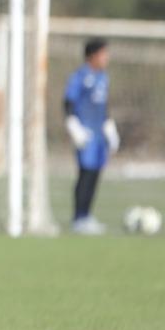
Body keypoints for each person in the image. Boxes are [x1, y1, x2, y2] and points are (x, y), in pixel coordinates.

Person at [64, 37, 118, 235]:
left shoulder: (103, 77)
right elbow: (68, 102)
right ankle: (78, 217)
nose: (107, 58)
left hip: (99, 134)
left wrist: (110, 127)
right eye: (104, 53)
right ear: (93, 55)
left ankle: (87, 215)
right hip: (85, 134)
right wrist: (73, 126)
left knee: (95, 174)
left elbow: (104, 106)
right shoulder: (80, 76)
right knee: (85, 175)